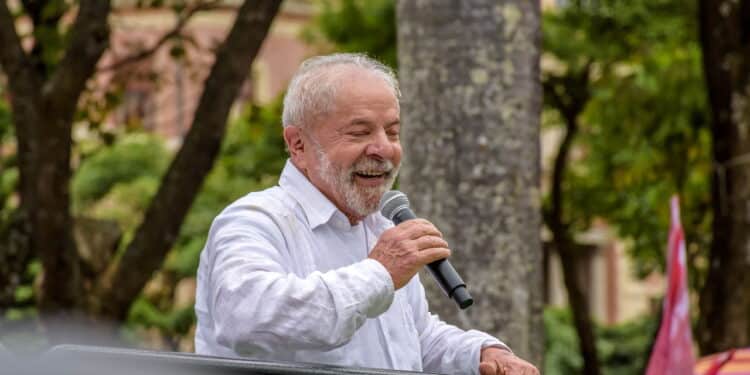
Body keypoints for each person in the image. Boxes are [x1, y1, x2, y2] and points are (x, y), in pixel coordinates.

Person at [194, 53, 539, 375]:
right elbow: (248, 319)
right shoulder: (253, 221)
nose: (384, 149)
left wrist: (480, 354)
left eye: (392, 131)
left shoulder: (379, 227)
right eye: (360, 132)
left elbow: (411, 338)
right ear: (298, 145)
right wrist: (380, 272)